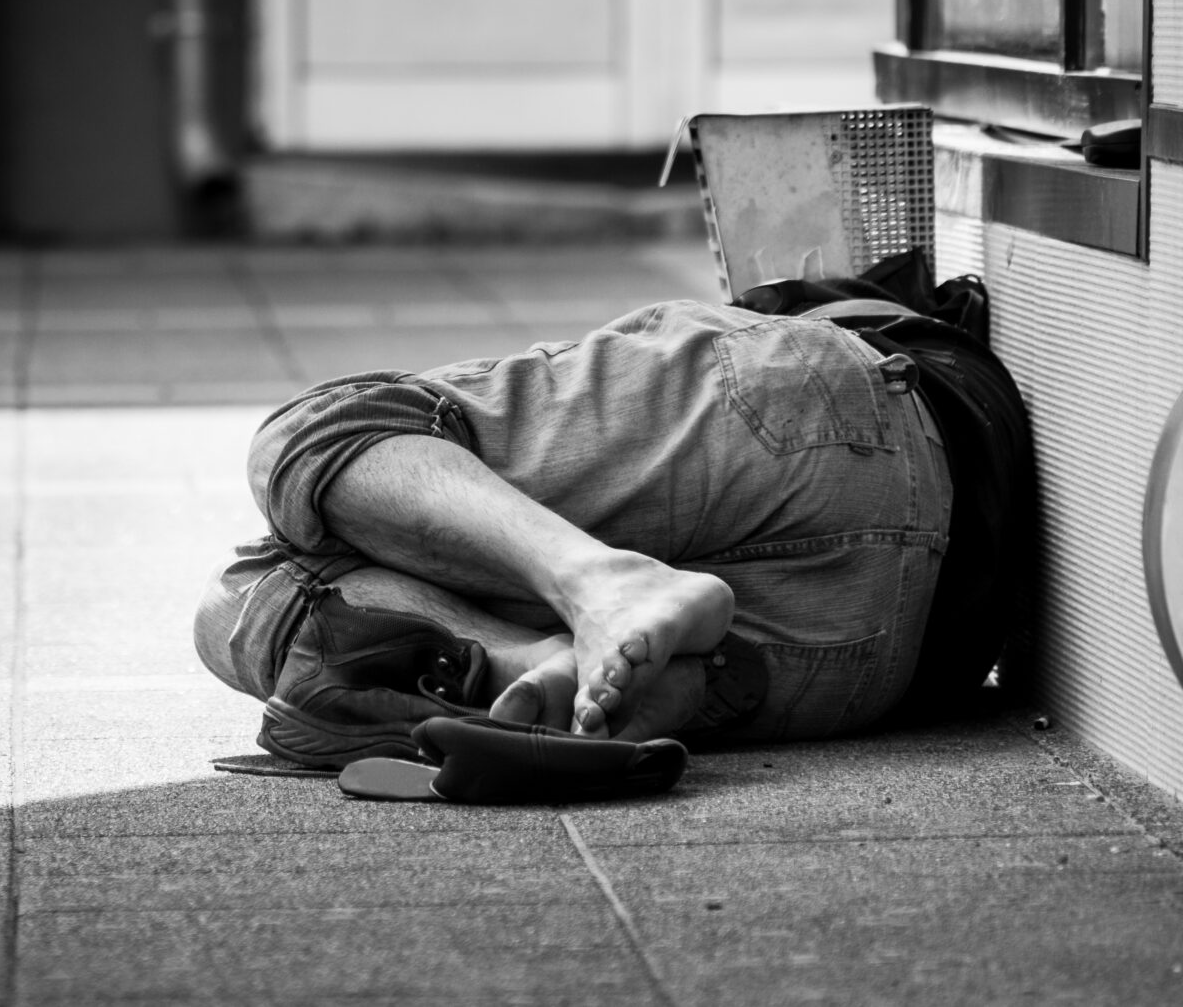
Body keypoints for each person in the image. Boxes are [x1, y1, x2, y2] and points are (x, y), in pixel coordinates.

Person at [193, 268, 1032, 769]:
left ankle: (586, 593)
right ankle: (564, 652)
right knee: (251, 589)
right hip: (927, 629)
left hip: (880, 655)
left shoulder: (810, 319)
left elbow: (342, 441)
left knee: (300, 465)